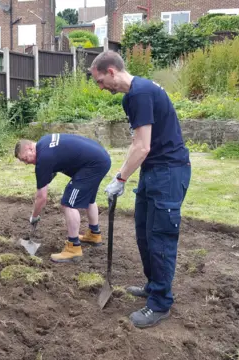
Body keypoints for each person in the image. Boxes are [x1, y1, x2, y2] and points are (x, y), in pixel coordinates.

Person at [90, 50, 191, 328]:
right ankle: (153, 285)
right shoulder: (132, 96)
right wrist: (121, 175)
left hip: (169, 172)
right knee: (145, 234)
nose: (100, 88)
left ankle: (160, 303)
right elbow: (139, 144)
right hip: (154, 171)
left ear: (111, 71)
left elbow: (142, 146)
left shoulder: (139, 93)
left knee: (159, 238)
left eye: (100, 81)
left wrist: (120, 179)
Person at [15, 133, 111, 263]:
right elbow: (56, 164)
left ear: (30, 148)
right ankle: (94, 234)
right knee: (89, 199)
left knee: (68, 203)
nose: (27, 163)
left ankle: (73, 248)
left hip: (93, 165)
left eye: (26, 159)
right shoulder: (44, 142)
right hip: (100, 158)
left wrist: (34, 216)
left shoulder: (44, 157)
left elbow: (42, 197)